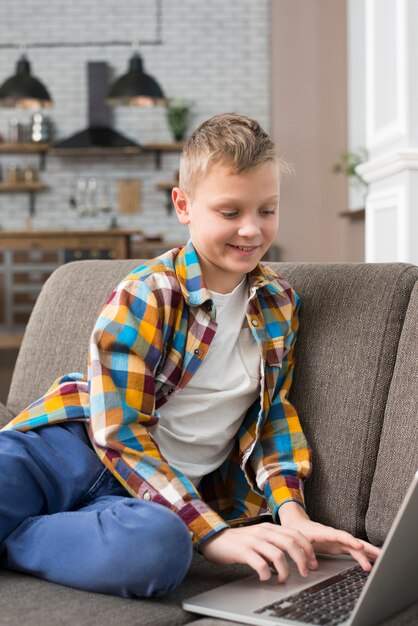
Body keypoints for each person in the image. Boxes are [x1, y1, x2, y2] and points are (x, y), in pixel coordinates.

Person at [0, 113, 380, 598]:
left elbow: (269, 421)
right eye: (229, 212)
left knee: (161, 551)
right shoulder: (148, 294)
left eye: (267, 210)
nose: (251, 230)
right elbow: (118, 433)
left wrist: (293, 515)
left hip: (149, 503)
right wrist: (214, 534)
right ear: (184, 205)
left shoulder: (280, 306)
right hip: (67, 451)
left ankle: (20, 537)